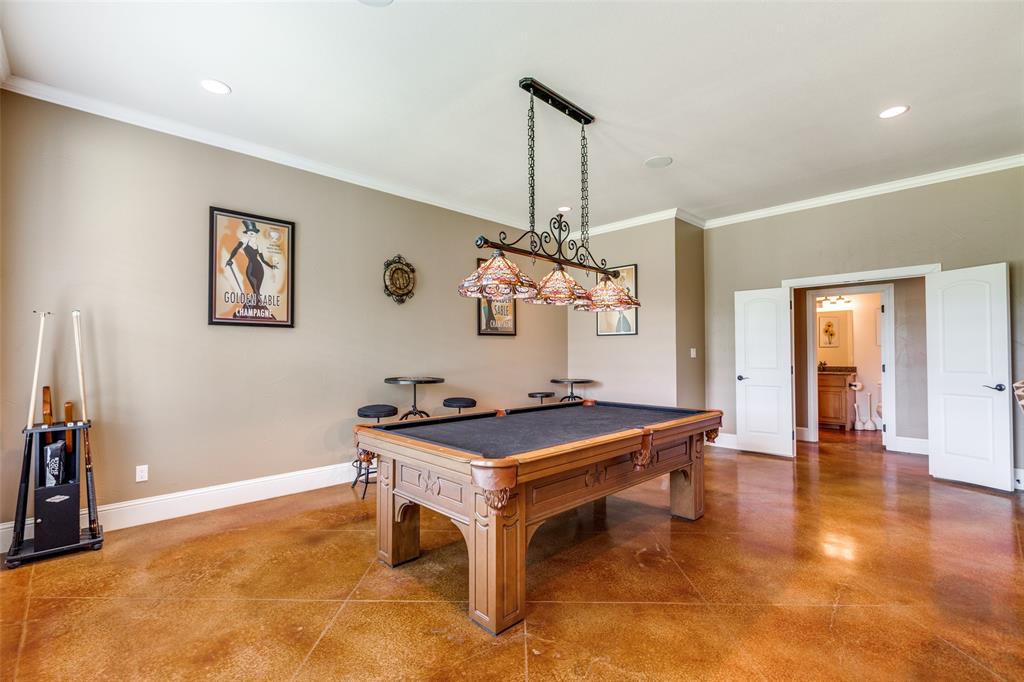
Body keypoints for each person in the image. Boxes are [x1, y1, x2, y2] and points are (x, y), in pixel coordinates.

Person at [226, 220, 277, 305]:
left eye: (252, 232)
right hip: (251, 268)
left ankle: (253, 307)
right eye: (249, 232)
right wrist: (230, 258)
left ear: (256, 233)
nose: (250, 234)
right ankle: (256, 305)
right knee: (256, 289)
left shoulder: (258, 245)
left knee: (257, 291)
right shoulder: (245, 240)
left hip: (260, 269)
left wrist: (271, 266)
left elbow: (263, 260)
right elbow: (236, 249)